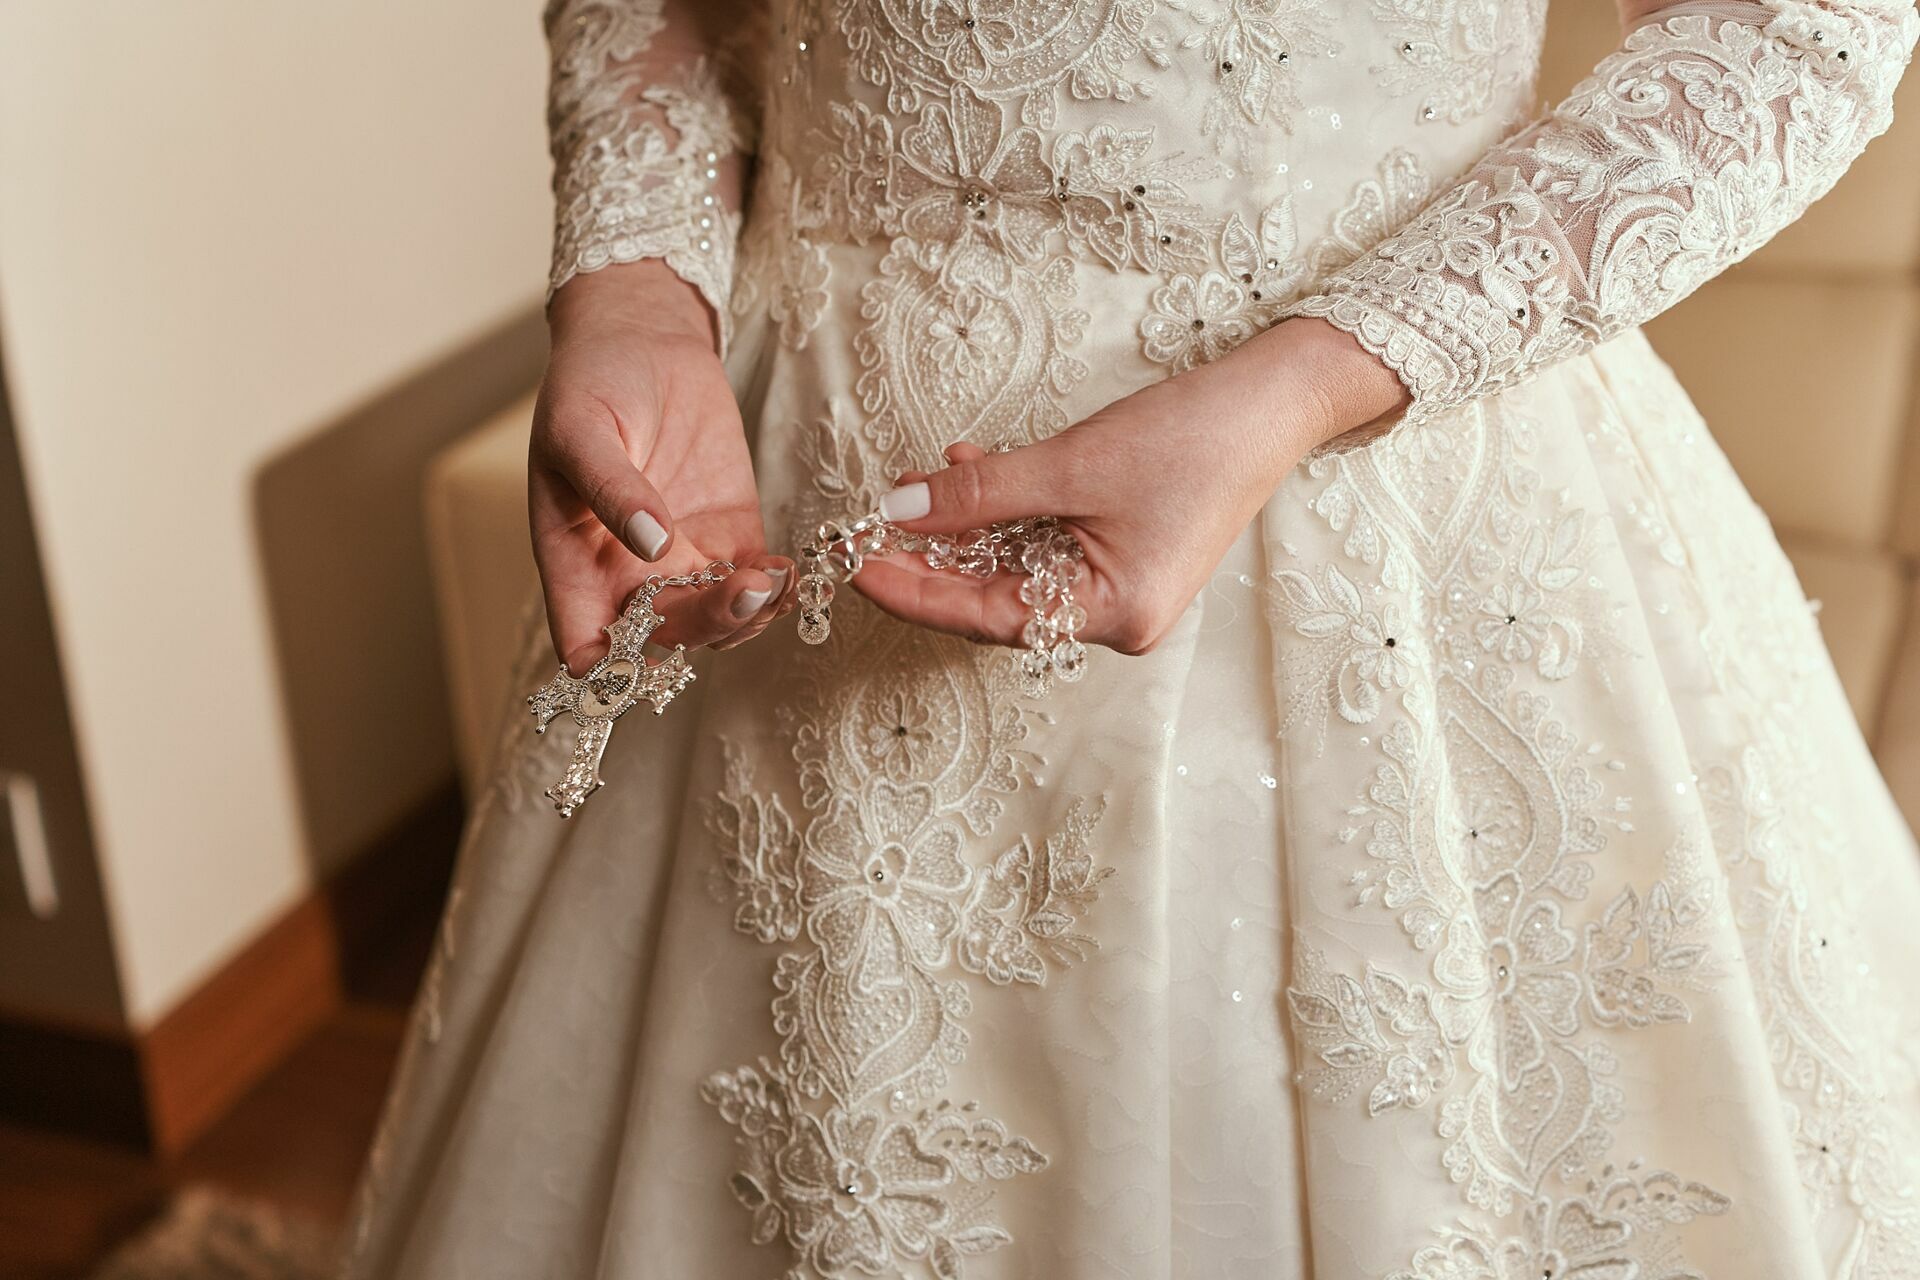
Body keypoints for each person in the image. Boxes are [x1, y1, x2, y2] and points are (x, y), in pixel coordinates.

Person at [342, 0, 1920, 1275]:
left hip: (1379, 487)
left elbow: (1804, 24)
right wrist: (634, 295)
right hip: (796, 480)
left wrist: (1307, 383)